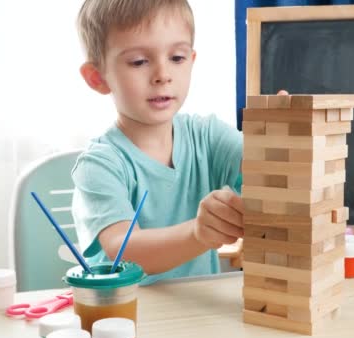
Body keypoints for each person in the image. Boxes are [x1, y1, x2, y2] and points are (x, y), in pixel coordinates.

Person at [71, 0, 244, 285]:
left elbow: (263, 163)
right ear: (97, 77)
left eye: (177, 58)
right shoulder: (99, 164)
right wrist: (198, 233)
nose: (163, 75)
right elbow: (123, 249)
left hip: (199, 316)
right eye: (139, 61)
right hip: (123, 318)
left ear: (191, 61)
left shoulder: (208, 136)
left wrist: (280, 135)